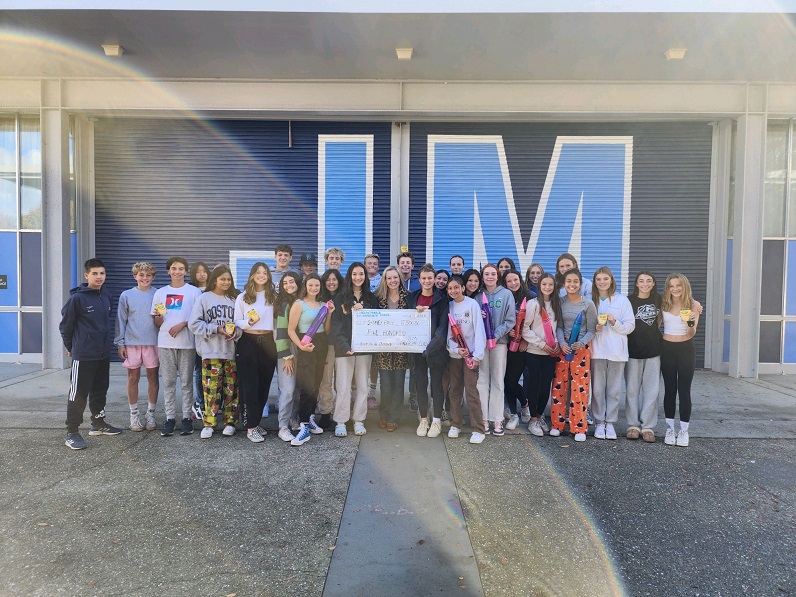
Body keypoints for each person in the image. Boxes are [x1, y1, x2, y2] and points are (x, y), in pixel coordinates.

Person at [61, 258, 122, 450]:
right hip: (84, 353)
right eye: (95, 273)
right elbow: (66, 326)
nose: (99, 277)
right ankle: (72, 432)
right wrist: (70, 346)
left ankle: (98, 423)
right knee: (78, 393)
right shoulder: (77, 299)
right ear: (87, 275)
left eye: (102, 273)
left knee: (100, 390)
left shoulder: (107, 296)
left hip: (103, 353)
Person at [151, 256, 202, 437]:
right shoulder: (160, 293)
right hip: (165, 343)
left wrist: (183, 324)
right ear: (168, 271)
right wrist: (158, 317)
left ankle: (187, 418)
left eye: (181, 268)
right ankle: (170, 418)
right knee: (169, 383)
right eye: (174, 268)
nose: (177, 271)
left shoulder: (194, 292)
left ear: (186, 271)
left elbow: (198, 319)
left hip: (187, 343)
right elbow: (157, 322)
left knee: (187, 383)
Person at [188, 265, 241, 439]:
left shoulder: (236, 299)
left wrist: (236, 333)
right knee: (211, 390)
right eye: (222, 279)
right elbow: (193, 324)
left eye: (228, 279)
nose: (226, 282)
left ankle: (230, 422)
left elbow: (242, 324)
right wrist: (216, 329)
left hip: (231, 352)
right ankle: (209, 423)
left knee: (231, 390)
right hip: (210, 352)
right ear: (215, 280)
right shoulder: (204, 299)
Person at [330, 262, 378, 436]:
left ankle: (359, 420)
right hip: (344, 350)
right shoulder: (341, 298)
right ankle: (341, 421)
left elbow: (376, 322)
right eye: (355, 274)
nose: (358, 277)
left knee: (363, 387)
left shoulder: (371, 298)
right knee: (343, 386)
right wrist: (344, 345)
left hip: (364, 350)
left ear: (365, 276)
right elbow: (336, 325)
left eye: (361, 274)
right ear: (349, 276)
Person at [287, 273, 334, 446]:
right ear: (305, 286)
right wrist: (300, 346)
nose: (314, 288)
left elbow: (327, 330)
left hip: (321, 344)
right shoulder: (299, 305)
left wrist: (329, 314)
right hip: (306, 343)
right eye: (311, 285)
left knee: (316, 384)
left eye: (317, 285)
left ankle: (310, 418)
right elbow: (291, 330)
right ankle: (303, 425)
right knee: (306, 386)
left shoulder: (323, 305)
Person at [234, 262, 278, 443]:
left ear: (268, 276)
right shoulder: (243, 297)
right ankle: (250, 427)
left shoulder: (274, 296)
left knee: (264, 385)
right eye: (258, 272)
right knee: (249, 386)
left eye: (264, 272)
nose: (261, 275)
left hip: (268, 343)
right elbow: (236, 320)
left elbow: (277, 322)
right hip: (248, 342)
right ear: (252, 275)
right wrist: (247, 324)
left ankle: (256, 421)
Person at [552, 268, 597, 442]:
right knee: (559, 387)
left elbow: (592, 329)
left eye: (575, 281)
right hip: (563, 349)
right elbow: (559, 326)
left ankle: (579, 426)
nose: (572, 284)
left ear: (580, 284)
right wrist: (562, 343)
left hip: (581, 349)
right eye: (568, 281)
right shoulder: (560, 302)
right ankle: (557, 424)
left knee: (579, 388)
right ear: (564, 283)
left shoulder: (588, 304)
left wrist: (582, 342)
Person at [590, 266, 635, 441]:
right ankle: (599, 422)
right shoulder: (590, 301)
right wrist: (594, 328)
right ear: (595, 282)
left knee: (614, 390)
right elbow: (585, 327)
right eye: (599, 279)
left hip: (617, 352)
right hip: (597, 351)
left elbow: (630, 327)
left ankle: (611, 423)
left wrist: (615, 322)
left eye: (605, 279)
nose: (602, 282)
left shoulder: (622, 301)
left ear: (611, 280)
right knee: (598, 389)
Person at [114, 261, 159, 432]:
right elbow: (121, 320)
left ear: (153, 277)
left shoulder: (158, 294)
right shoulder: (126, 295)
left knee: (153, 377)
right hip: (132, 342)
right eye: (141, 275)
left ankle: (151, 413)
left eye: (148, 275)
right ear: (135, 276)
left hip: (153, 342)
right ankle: (134, 414)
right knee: (133, 378)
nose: (145, 278)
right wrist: (120, 343)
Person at [408, 264, 450, 438]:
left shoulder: (442, 299)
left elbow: (443, 327)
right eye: (423, 278)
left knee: (437, 385)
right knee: (420, 384)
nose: (427, 281)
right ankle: (424, 419)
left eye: (430, 278)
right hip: (416, 350)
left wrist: (430, 348)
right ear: (419, 280)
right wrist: (415, 313)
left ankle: (437, 420)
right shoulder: (412, 298)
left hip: (436, 350)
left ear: (434, 279)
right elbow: (405, 322)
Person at [661, 273, 701, 447]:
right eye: (671, 286)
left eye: (679, 285)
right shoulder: (663, 303)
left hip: (686, 349)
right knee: (669, 389)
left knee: (684, 390)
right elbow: (654, 327)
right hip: (667, 348)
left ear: (685, 286)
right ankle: (670, 429)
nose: (675, 289)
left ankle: (684, 431)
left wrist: (690, 323)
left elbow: (692, 333)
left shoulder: (693, 305)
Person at [445, 275, 487, 444]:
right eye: (450, 288)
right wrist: (455, 349)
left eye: (456, 287)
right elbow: (447, 334)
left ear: (463, 288)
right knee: (454, 389)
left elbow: (479, 331)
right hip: (455, 356)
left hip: (471, 356)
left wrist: (477, 355)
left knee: (471, 391)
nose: (453, 291)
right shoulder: (448, 306)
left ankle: (478, 429)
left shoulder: (472, 304)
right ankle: (456, 424)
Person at [477, 264, 516, 436]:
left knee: (498, 381)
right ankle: (483, 418)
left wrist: (495, 335)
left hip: (499, 344)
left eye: (493, 274)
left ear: (497, 276)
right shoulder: (478, 295)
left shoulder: (506, 294)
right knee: (482, 380)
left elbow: (510, 320)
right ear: (482, 276)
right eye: (487, 274)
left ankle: (497, 418)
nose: (490, 277)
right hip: (481, 344)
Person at [625, 271, 662, 443]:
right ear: (637, 284)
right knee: (632, 390)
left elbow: (681, 300)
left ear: (653, 283)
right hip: (632, 351)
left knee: (651, 391)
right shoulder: (629, 300)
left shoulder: (659, 300)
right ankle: (632, 425)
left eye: (648, 281)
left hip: (654, 350)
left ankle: (647, 427)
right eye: (641, 281)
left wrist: (696, 304)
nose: (645, 284)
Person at [522, 273, 560, 436]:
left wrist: (557, 343)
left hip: (551, 353)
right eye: (544, 284)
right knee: (534, 385)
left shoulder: (557, 305)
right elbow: (524, 328)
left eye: (550, 284)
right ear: (539, 286)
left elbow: (558, 327)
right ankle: (532, 419)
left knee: (546, 386)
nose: (547, 287)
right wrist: (541, 344)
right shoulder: (532, 304)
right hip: (535, 352)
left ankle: (540, 415)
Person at [374, 266, 410, 431]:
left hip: (402, 349)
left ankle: (394, 418)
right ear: (385, 280)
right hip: (384, 349)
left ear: (400, 279)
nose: (393, 281)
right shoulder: (377, 298)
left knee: (398, 384)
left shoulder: (409, 298)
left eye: (396, 277)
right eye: (389, 278)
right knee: (386, 384)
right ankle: (384, 415)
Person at [274, 272, 302, 442]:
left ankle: (293, 418)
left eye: (291, 282)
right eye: (285, 283)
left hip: (302, 346)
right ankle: (283, 425)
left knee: (298, 388)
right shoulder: (284, 304)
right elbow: (281, 332)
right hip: (287, 348)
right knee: (288, 389)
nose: (289, 285)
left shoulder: (301, 301)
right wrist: (287, 356)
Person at [502, 269, 532, 430]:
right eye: (509, 281)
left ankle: (525, 404)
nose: (513, 283)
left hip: (522, 347)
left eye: (515, 280)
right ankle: (514, 414)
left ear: (520, 280)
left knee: (512, 380)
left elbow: (536, 322)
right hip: (505, 344)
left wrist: (526, 339)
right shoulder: (504, 296)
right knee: (507, 381)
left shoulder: (530, 297)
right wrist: (508, 330)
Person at [316, 268, 345, 428]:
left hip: (341, 344)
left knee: (341, 382)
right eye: (328, 279)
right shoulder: (319, 299)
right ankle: (326, 412)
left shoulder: (345, 298)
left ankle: (340, 413)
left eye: (334, 279)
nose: (331, 282)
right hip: (325, 344)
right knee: (325, 380)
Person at [189, 261, 210, 422]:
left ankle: (213, 402)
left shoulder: (213, 290)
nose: (202, 274)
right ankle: (200, 403)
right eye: (198, 271)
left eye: (204, 271)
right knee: (199, 370)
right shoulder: (191, 291)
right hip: (197, 337)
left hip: (214, 337)